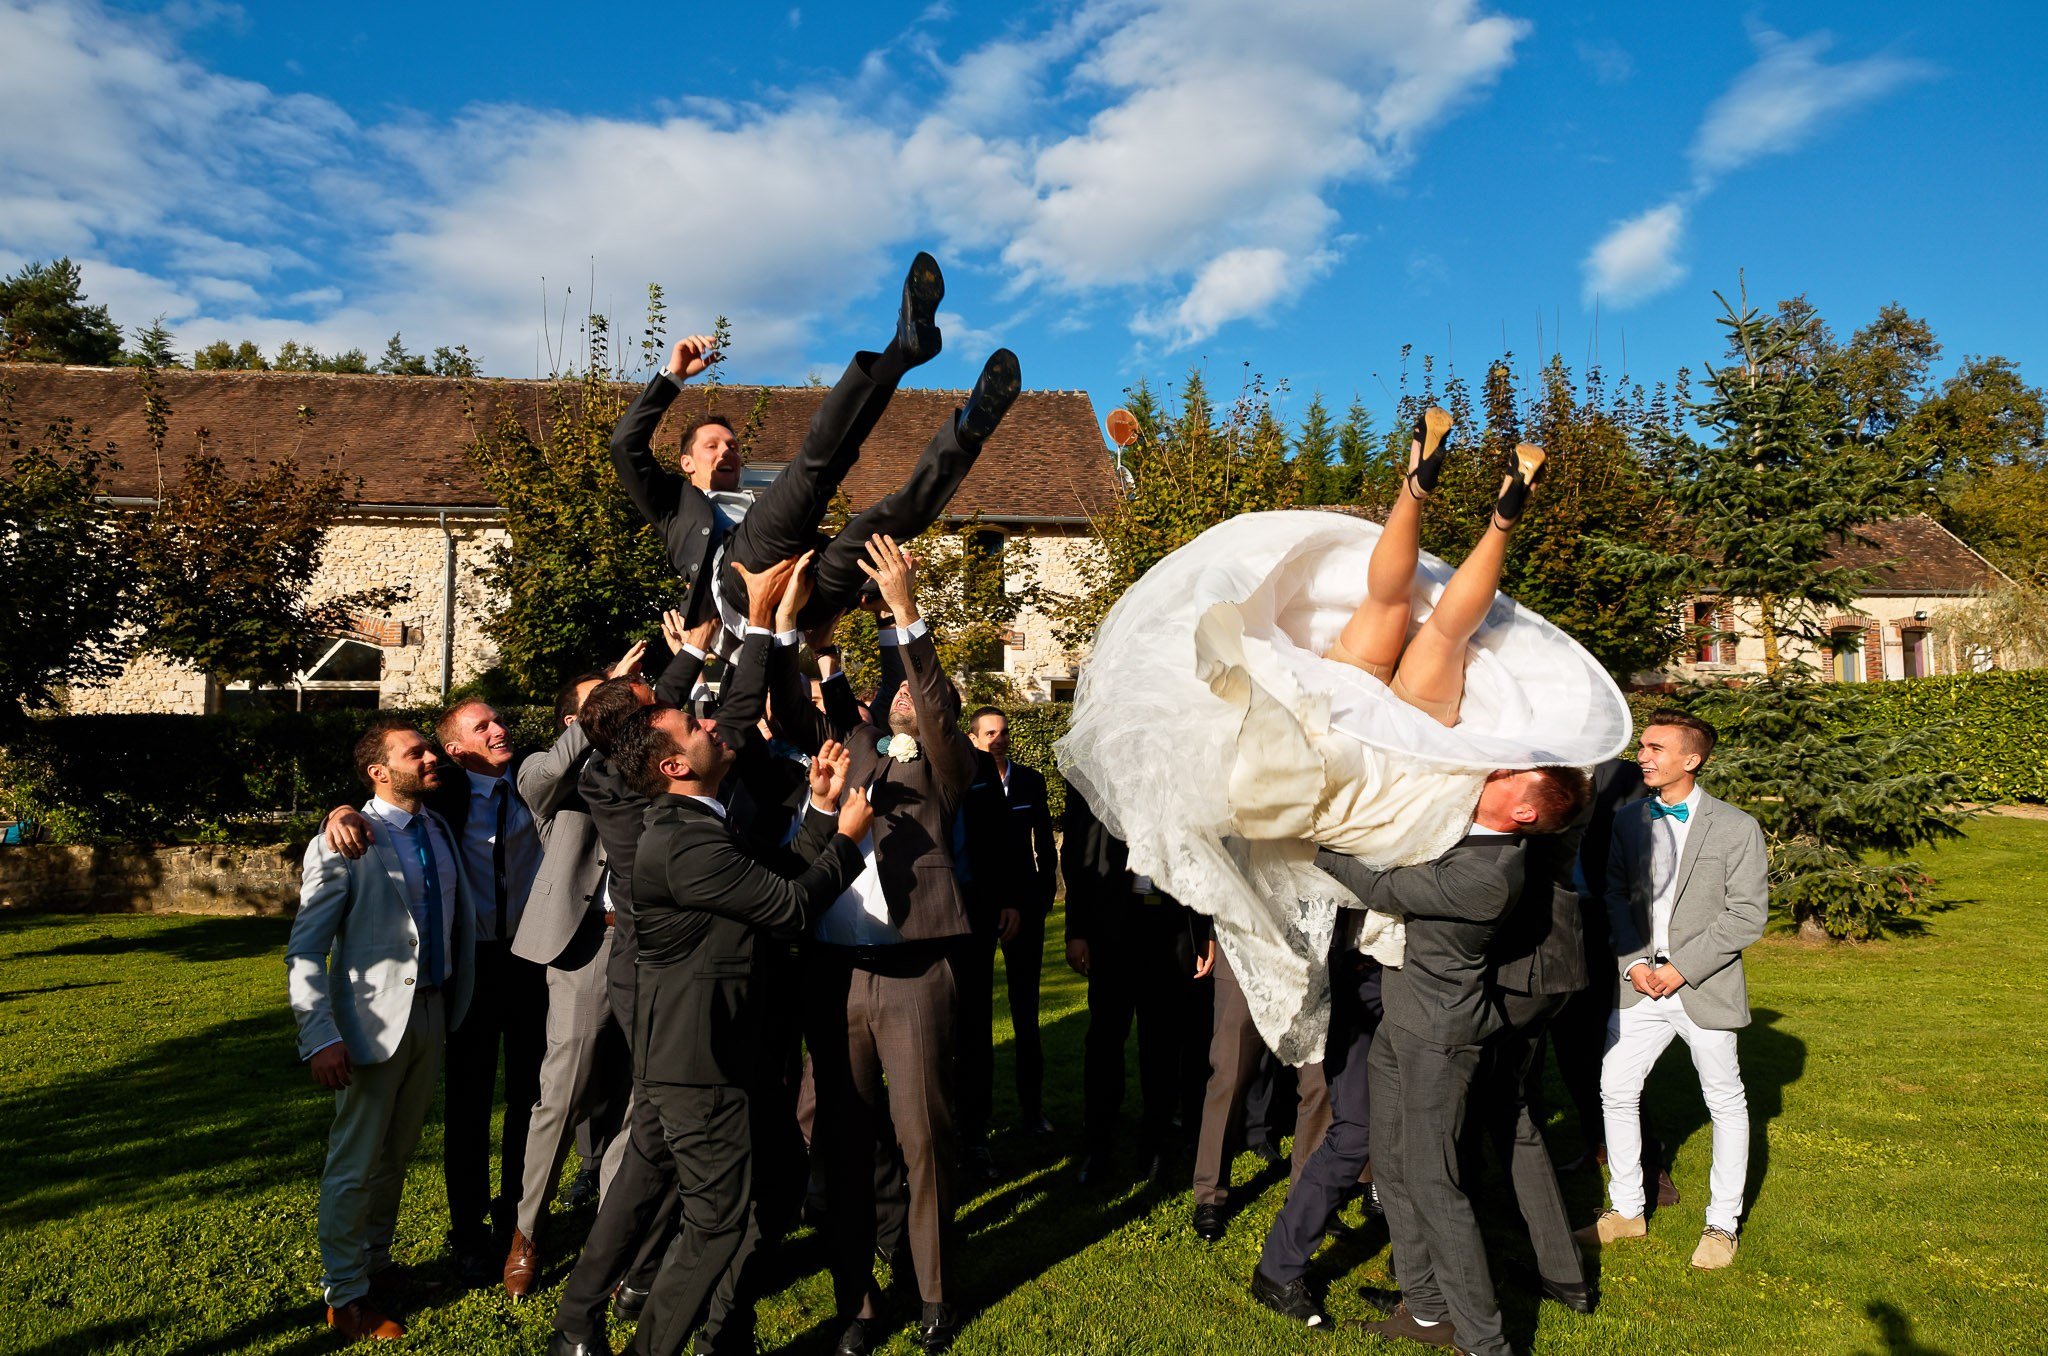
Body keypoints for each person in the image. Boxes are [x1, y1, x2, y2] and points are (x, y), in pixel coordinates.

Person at [1056, 410, 1630, 1067]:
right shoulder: (1479, 820)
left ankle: (1431, 491)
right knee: (1445, 632)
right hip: (1374, 733)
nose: (1502, 772)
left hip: (1370, 717)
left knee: (1402, 611)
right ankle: (1499, 516)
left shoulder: (1479, 801)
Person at [1252, 766, 1587, 1355]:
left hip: (1439, 1038)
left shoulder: (1490, 873)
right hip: (1403, 1022)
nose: (1497, 772)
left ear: (1526, 812)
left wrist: (1316, 841)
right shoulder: (1467, 831)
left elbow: (1381, 888)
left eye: (1513, 777)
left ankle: (1485, 1341)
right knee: (1396, 1163)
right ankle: (1427, 1309)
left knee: (1436, 1186)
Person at [549, 570, 789, 1355]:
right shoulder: (625, 782)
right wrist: (749, 629)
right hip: (670, 988)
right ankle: (629, 1306)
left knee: (652, 1156)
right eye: (655, 697)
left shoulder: (625, 769)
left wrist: (691, 655)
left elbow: (670, 717)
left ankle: (594, 1311)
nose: (680, 705)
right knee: (672, 1158)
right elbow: (716, 714)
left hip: (676, 985)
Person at [603, 701, 873, 1356]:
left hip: (735, 1050)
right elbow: (786, 908)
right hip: (700, 1060)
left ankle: (723, 1335)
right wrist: (846, 838)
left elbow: (773, 879)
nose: (712, 729)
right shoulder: (682, 837)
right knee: (716, 1223)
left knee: (778, 1184)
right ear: (673, 764)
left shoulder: (702, 823)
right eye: (694, 730)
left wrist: (819, 810)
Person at [766, 537, 977, 1355]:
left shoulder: (939, 769)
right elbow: (792, 708)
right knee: (843, 1142)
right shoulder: (842, 752)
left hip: (915, 969)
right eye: (882, 699)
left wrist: (906, 612)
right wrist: (796, 629)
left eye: (911, 703)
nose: (899, 704)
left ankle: (932, 1289)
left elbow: (928, 701)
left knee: (924, 1135)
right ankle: (855, 1300)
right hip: (834, 972)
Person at [610, 253, 1021, 638]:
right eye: (712, 446)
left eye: (733, 446)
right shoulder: (673, 505)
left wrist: (868, 596)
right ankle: (903, 349)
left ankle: (964, 435)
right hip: (740, 583)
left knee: (876, 531)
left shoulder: (754, 503)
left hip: (806, 594)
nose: (727, 452)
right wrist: (673, 376)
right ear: (685, 462)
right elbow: (624, 446)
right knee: (813, 471)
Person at [321, 700, 548, 1283]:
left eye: (502, 721)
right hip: (467, 974)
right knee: (467, 1107)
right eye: (482, 727)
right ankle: (466, 1232)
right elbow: (382, 805)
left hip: (530, 962)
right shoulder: (442, 799)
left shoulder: (536, 782)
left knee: (531, 1098)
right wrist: (340, 811)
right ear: (456, 751)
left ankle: (518, 1220)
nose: (500, 730)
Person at [286, 720, 475, 1342]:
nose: (431, 757)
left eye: (429, 747)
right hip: (368, 1025)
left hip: (433, 1014)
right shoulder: (345, 841)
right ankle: (344, 1298)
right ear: (377, 772)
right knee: (355, 1162)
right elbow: (306, 951)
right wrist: (320, 1034)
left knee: (395, 1157)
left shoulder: (439, 826)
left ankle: (377, 1267)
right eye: (414, 752)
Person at [1577, 709, 1768, 1271]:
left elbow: (1747, 915)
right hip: (1639, 987)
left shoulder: (1737, 827)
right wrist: (1634, 963)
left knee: (1725, 1102)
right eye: (1643, 746)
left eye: (1657, 747)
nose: (1643, 755)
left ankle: (1722, 1224)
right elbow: (1615, 895)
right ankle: (1627, 1210)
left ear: (1693, 758)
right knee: (1615, 1089)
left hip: (1702, 986)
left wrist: (1682, 969)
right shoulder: (1629, 820)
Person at [503, 656, 637, 1298]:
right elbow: (552, 773)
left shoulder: (644, 763)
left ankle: (614, 1239)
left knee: (640, 1098)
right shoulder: (542, 770)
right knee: (563, 1092)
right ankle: (527, 1230)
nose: (618, 712)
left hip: (651, 948)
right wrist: (603, 701)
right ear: (573, 721)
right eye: (600, 706)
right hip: (584, 947)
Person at [1062, 783, 1215, 1186]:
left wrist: (1202, 930)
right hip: (1110, 930)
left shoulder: (1176, 775)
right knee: (1105, 1040)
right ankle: (1099, 1145)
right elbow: (1076, 855)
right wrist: (1076, 930)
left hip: (1167, 926)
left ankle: (1156, 1143)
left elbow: (1200, 855)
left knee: (1163, 1042)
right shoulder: (1095, 778)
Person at [954, 705, 1059, 1178]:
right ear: (974, 739)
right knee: (974, 1018)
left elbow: (1044, 846)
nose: (998, 739)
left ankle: (1033, 1110)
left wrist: (1038, 898)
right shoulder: (964, 781)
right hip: (978, 911)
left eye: (1004, 732)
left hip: (1025, 908)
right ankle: (974, 1126)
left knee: (1026, 1012)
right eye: (989, 733)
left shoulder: (1032, 781)